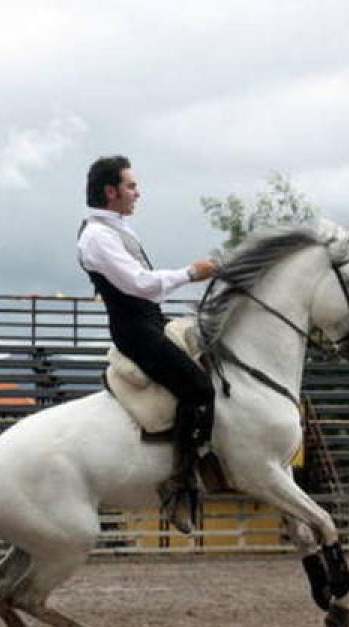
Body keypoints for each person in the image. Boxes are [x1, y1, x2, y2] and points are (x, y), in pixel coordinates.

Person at [77, 155, 217, 534]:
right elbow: (139, 284)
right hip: (136, 332)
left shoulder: (118, 229)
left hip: (152, 321)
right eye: (131, 186)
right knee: (198, 389)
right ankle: (179, 485)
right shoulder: (97, 237)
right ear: (111, 191)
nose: (138, 193)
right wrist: (191, 273)